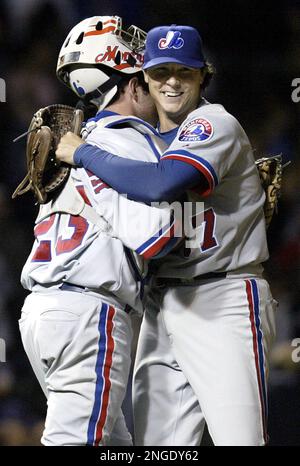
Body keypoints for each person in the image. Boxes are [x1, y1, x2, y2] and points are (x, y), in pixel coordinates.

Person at [56, 25, 277, 446]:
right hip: (162, 303)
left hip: (223, 298)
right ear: (143, 79)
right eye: (161, 73)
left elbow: (162, 182)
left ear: (203, 77)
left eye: (184, 71)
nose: (172, 82)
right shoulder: (142, 141)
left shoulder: (212, 122)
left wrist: (82, 153)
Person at [18, 16, 179, 446]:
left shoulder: (72, 141)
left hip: (41, 310)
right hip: (90, 312)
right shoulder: (135, 142)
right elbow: (161, 237)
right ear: (130, 85)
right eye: (148, 77)